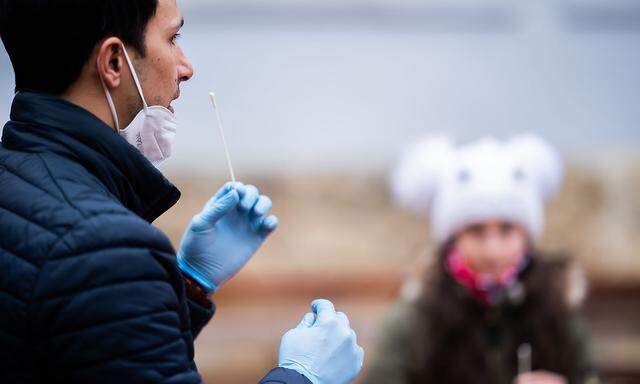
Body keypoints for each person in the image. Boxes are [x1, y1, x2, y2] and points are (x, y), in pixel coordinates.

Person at [0, 1, 364, 383]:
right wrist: (302, 376)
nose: (186, 67)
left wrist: (187, 284)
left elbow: (89, 353)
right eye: (173, 38)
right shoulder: (106, 250)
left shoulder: (14, 179)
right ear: (113, 63)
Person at [361, 135, 598, 384]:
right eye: (476, 231)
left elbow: (590, 376)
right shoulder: (414, 319)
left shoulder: (556, 309)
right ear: (453, 238)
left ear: (526, 235)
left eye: (506, 229)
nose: (492, 250)